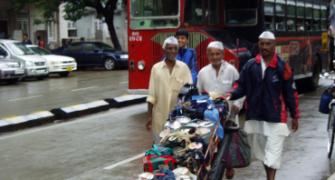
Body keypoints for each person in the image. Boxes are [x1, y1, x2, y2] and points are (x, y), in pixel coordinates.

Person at [227, 31, 300, 180]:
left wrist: (295, 115)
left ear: (274, 46)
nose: (264, 47)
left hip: (276, 117)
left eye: (268, 44)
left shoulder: (282, 67)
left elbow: (290, 93)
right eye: (262, 43)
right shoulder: (250, 66)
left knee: (273, 153)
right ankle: (269, 177)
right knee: (264, 154)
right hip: (255, 116)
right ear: (258, 44)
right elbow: (241, 87)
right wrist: (229, 96)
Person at [197, 41, 243, 179]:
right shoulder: (203, 72)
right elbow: (199, 93)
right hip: (209, 117)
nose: (215, 57)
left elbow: (241, 89)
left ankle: (229, 167)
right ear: (207, 55)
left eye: (217, 54)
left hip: (228, 114)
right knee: (210, 145)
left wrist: (238, 105)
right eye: (211, 54)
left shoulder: (231, 70)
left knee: (228, 144)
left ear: (222, 54)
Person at [146, 36, 193, 144]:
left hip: (179, 120)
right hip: (160, 119)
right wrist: (149, 117)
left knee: (177, 150)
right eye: (169, 48)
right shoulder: (156, 69)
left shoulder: (184, 68)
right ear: (164, 50)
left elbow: (189, 91)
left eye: (175, 48)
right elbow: (151, 96)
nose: (172, 51)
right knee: (160, 149)